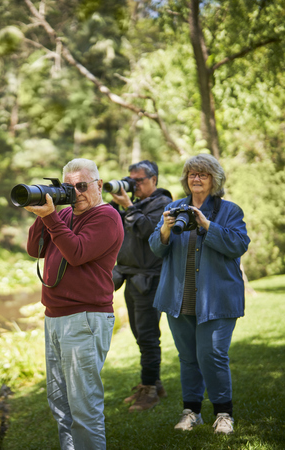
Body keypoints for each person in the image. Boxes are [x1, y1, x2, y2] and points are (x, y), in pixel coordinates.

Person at [25, 158, 124, 449]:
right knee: (60, 403)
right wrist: (42, 212)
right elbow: (35, 249)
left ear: (99, 185)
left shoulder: (106, 216)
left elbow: (77, 252)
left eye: (82, 186)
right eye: (69, 188)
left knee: (83, 406)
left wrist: (52, 218)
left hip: (85, 317)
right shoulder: (63, 215)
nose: (76, 193)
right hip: (56, 317)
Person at [149, 154, 250, 434]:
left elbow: (238, 245)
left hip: (217, 299)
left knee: (212, 354)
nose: (196, 178)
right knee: (188, 357)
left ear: (214, 180)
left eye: (203, 174)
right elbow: (156, 248)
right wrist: (166, 230)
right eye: (192, 174)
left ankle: (224, 414)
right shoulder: (173, 208)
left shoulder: (230, 211)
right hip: (179, 299)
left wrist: (207, 225)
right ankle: (191, 412)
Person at [110, 160, 173, 412]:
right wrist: (117, 203)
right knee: (138, 333)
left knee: (147, 336)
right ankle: (154, 384)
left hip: (150, 278)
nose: (134, 185)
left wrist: (128, 206)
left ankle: (150, 393)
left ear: (154, 180)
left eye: (139, 180)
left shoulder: (163, 204)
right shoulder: (134, 204)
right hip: (129, 276)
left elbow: (152, 233)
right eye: (130, 180)